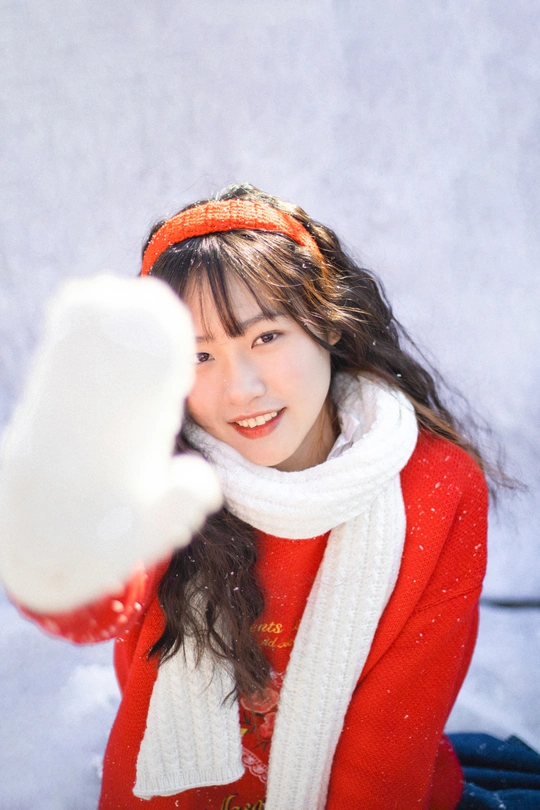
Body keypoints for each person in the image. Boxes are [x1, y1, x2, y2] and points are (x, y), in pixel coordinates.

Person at [0, 183, 533, 810]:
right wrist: (51, 565)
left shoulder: (434, 485)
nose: (241, 388)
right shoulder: (164, 474)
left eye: (266, 337)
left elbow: (392, 740)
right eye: (200, 354)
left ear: (328, 324)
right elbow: (96, 608)